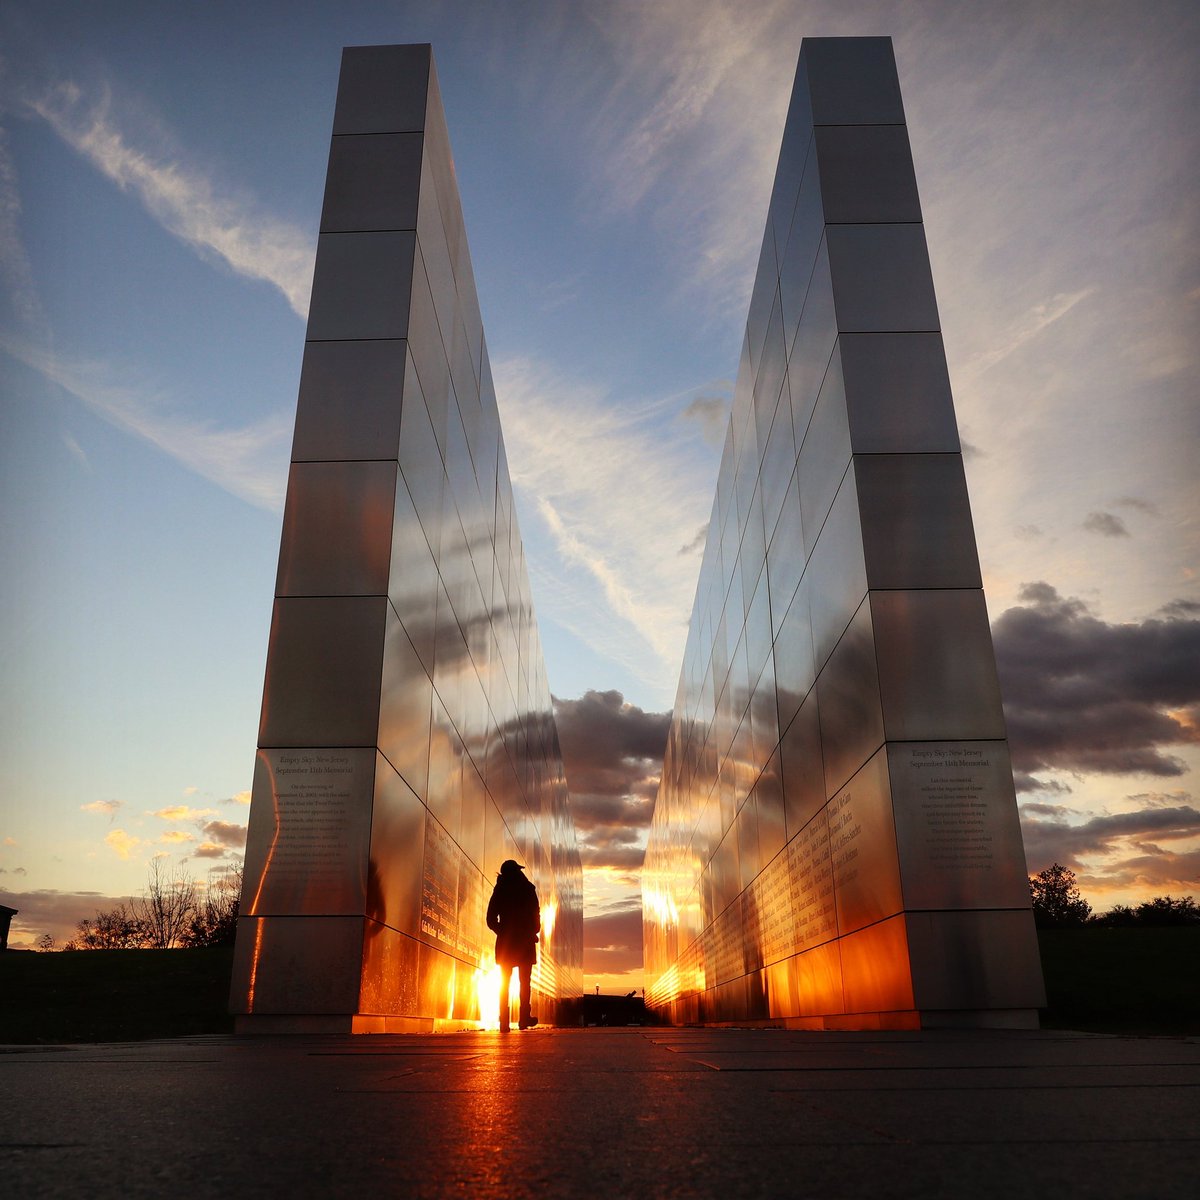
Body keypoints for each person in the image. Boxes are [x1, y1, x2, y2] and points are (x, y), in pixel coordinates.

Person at [486, 860, 541, 1031]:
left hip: (506, 943)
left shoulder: (500, 890)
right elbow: (536, 915)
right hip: (524, 942)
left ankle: (504, 1020)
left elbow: (490, 919)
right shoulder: (528, 889)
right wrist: (532, 931)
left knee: (505, 981)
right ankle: (524, 1018)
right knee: (524, 982)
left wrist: (503, 932)